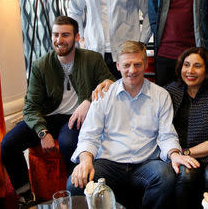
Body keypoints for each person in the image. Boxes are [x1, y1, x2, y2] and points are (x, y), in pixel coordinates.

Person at [67, 41, 200, 209]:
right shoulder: (103, 95)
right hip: (109, 163)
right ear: (118, 66)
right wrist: (85, 161)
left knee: (165, 176)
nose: (132, 70)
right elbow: (89, 135)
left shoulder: (161, 96)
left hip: (145, 162)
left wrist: (174, 154)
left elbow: (166, 135)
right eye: (126, 65)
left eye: (137, 64)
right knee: (75, 184)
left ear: (145, 64)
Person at [0, 16, 115, 208]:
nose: (59, 40)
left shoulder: (92, 59)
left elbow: (110, 84)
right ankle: (25, 195)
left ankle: (78, 192)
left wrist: (88, 101)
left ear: (77, 37)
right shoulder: (40, 65)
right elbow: (30, 107)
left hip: (77, 117)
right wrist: (42, 132)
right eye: (55, 34)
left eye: (65, 35)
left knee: (68, 142)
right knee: (8, 144)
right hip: (47, 117)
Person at [165, 47, 208, 208]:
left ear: (207, 72)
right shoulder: (170, 91)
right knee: (185, 173)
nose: (190, 70)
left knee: (198, 174)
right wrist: (175, 153)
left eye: (197, 66)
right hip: (177, 153)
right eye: (186, 65)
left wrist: (184, 153)